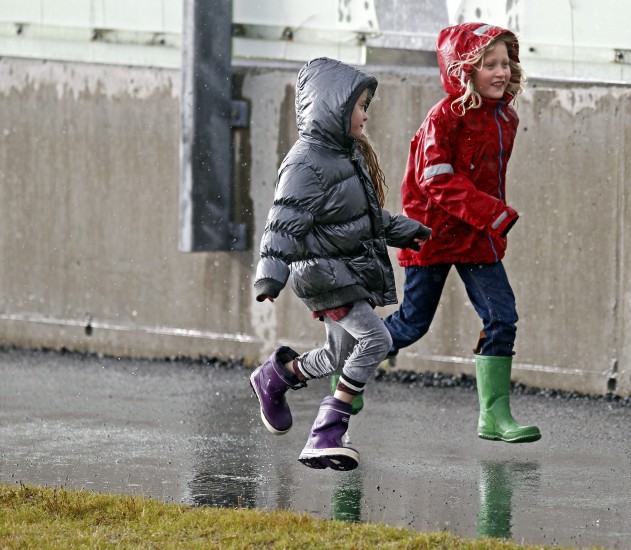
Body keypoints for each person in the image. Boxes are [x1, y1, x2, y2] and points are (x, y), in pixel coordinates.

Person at [250, 57, 431, 471]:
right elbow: (282, 223)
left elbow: (363, 217)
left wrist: (405, 230)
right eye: (361, 106)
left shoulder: (344, 156)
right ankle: (326, 432)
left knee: (338, 353)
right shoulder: (304, 163)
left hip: (344, 267)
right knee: (377, 341)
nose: (366, 115)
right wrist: (269, 279)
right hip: (323, 273)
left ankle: (276, 377)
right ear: (333, 106)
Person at [382, 23, 541, 443]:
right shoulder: (443, 118)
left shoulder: (506, 117)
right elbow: (435, 180)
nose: (500, 72)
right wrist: (492, 213)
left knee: (502, 317)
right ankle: (349, 368)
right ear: (463, 70)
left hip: (475, 239)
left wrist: (488, 221)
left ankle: (494, 416)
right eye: (488, 64)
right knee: (411, 325)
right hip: (433, 235)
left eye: (505, 63)